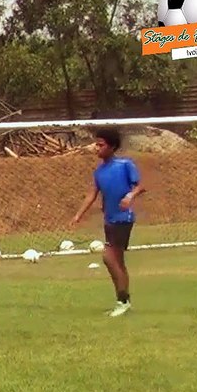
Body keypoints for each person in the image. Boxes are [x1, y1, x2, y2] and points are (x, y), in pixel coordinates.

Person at [69, 127, 146, 317]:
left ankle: (123, 301)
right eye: (96, 144)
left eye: (100, 144)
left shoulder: (125, 165)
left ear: (112, 147)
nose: (96, 148)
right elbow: (91, 195)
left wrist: (130, 196)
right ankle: (123, 301)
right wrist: (78, 215)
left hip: (123, 218)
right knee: (118, 262)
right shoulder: (99, 171)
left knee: (108, 257)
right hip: (109, 220)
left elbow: (141, 186)